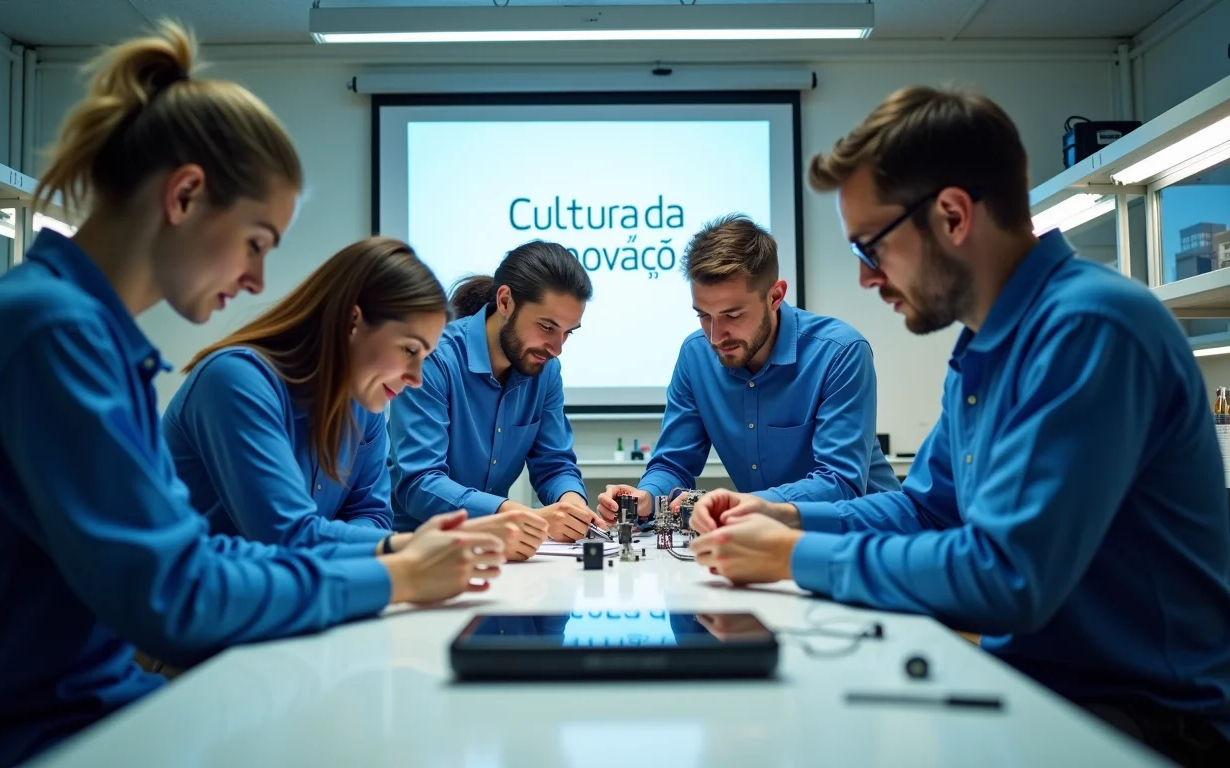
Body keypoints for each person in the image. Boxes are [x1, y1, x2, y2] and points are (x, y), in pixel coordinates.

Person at [0, 23, 503, 767]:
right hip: (39, 734)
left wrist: (392, 560)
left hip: (90, 703)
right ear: (184, 195)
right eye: (257, 241)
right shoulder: (51, 332)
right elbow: (178, 596)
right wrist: (391, 573)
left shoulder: (85, 334)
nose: (256, 281)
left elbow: (197, 553)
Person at [687, 85, 1230, 766]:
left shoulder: (1089, 328)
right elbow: (926, 507)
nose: (863, 278)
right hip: (1040, 689)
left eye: (871, 246)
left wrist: (792, 556)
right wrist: (783, 517)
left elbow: (1007, 577)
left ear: (950, 216)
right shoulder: (982, 347)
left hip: (1142, 722)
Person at [162, 237, 547, 561]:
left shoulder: (365, 406)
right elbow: (288, 537)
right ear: (352, 321)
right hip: (200, 638)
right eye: (409, 350)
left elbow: (371, 515)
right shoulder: (236, 381)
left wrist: (403, 549)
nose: (414, 380)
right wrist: (418, 547)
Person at [597, 214, 900, 523]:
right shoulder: (695, 356)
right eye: (704, 315)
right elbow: (674, 464)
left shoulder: (840, 353)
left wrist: (741, 505)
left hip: (866, 537)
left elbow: (840, 484)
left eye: (733, 314)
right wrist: (648, 496)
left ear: (776, 296)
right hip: (767, 536)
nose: (715, 336)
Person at [388, 240, 604, 542]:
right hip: (415, 547)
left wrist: (571, 503)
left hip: (496, 551)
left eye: (568, 333)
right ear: (505, 302)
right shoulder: (433, 358)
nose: (557, 349)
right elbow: (420, 482)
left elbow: (554, 463)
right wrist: (509, 516)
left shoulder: (546, 369)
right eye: (546, 327)